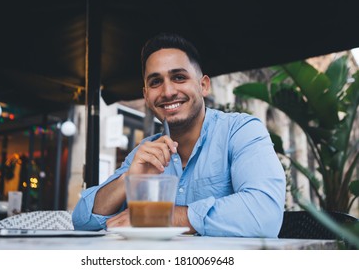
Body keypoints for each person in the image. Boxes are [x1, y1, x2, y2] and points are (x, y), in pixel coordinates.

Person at [72, 32, 286, 237]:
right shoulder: (147, 151)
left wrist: (163, 218)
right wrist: (129, 179)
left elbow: (264, 215)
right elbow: (81, 219)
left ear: (203, 85)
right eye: (156, 82)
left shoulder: (240, 131)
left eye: (179, 77)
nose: (168, 92)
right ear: (146, 96)